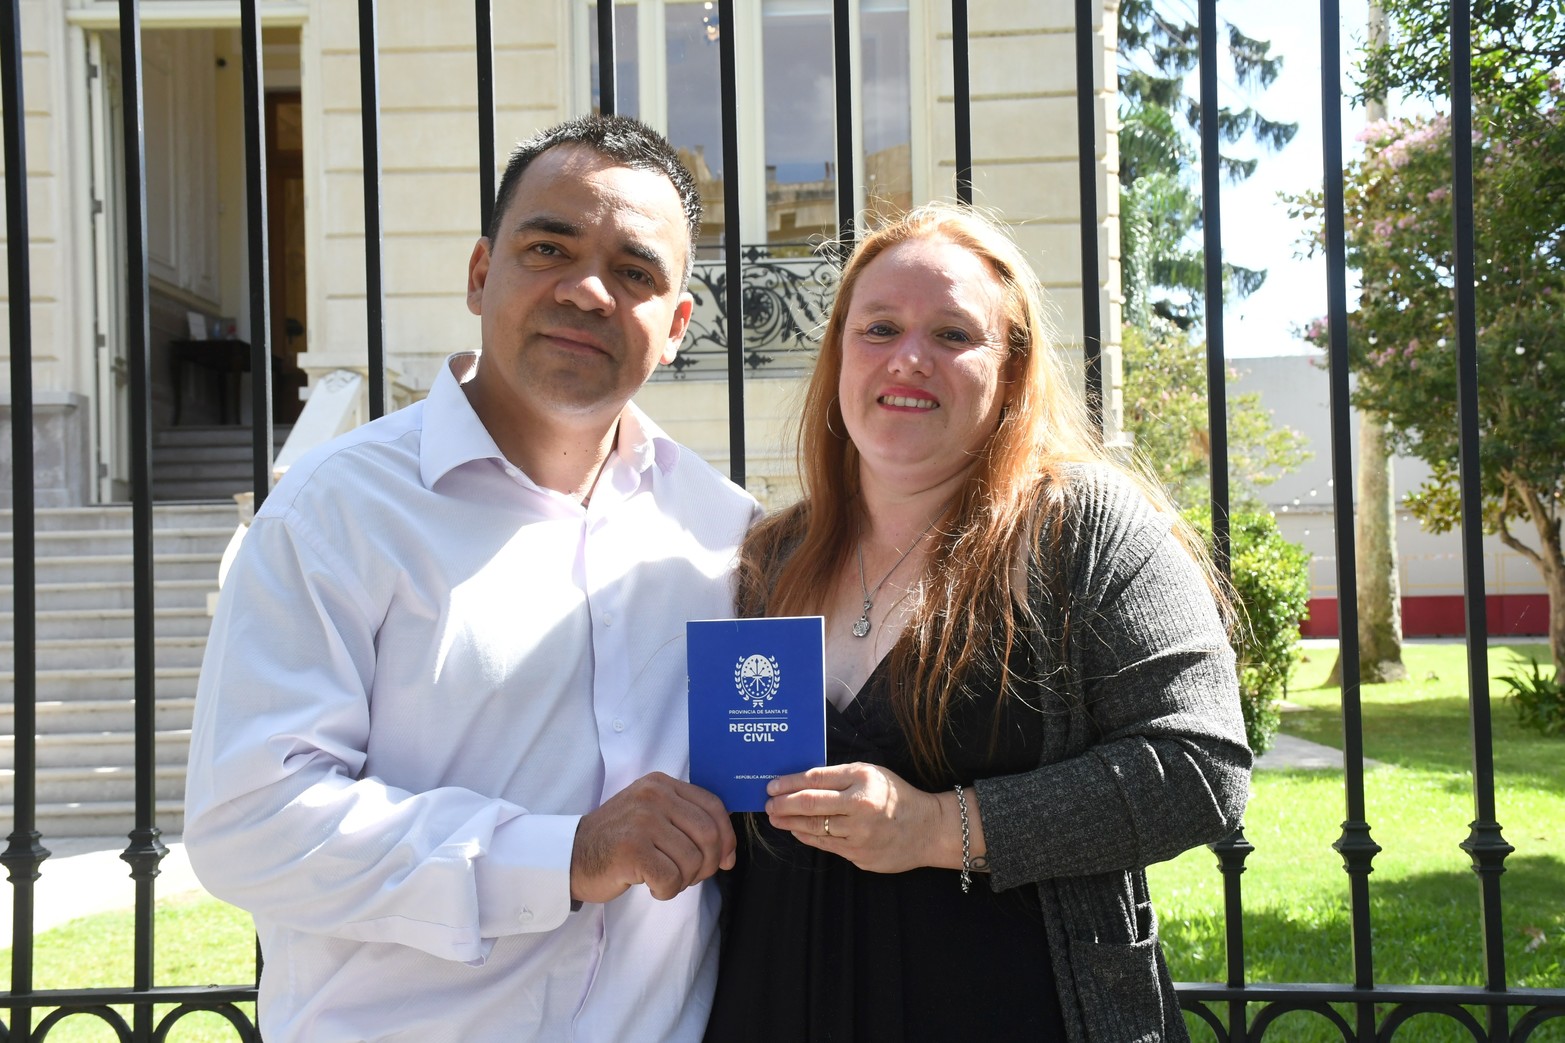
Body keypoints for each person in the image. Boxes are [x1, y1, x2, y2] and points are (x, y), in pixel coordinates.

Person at [184, 115, 760, 1043]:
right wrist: (562, 855)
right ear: (480, 273)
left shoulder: (724, 534)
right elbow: (251, 820)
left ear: (677, 326)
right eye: (550, 248)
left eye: (636, 272)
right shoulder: (336, 513)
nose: (586, 291)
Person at [703, 203, 1251, 1042]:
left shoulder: (1082, 529)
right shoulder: (769, 558)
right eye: (878, 327)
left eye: (953, 334)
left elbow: (1199, 766)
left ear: (1012, 366)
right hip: (780, 1000)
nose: (908, 358)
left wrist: (936, 827)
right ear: (839, 355)